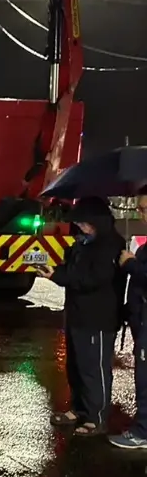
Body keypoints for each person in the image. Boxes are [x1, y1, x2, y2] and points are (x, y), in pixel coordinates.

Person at [37, 197, 125, 437]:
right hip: (77, 313)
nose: (82, 227)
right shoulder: (82, 243)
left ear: (97, 222)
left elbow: (94, 279)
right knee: (75, 366)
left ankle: (97, 418)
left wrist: (58, 276)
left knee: (93, 368)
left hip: (98, 317)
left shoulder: (110, 245)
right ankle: (78, 409)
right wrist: (55, 272)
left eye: (85, 223)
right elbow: (74, 272)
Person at [110, 192, 147, 449]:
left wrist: (131, 264)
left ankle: (143, 431)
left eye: (145, 209)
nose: (141, 214)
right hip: (140, 322)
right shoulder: (144, 248)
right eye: (140, 209)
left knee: (145, 380)